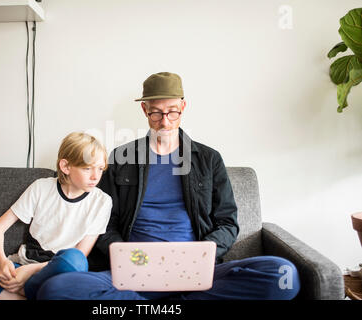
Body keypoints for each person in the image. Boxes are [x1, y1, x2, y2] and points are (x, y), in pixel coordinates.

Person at [35, 72, 301, 300]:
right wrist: (126, 256)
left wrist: (199, 254)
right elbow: (102, 222)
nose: (164, 121)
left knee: (282, 275)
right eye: (156, 113)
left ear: (183, 107)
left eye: (172, 112)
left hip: (195, 270)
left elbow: (228, 223)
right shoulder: (119, 158)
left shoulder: (208, 159)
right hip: (135, 270)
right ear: (144, 110)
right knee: (56, 288)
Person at [0, 132, 112, 300]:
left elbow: (80, 255)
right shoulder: (41, 187)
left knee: (76, 260)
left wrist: (29, 272)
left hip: (55, 273)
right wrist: (2, 263)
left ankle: (24, 290)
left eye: (100, 169)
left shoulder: (102, 201)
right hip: (20, 265)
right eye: (88, 168)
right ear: (65, 166)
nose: (96, 176)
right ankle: (19, 296)